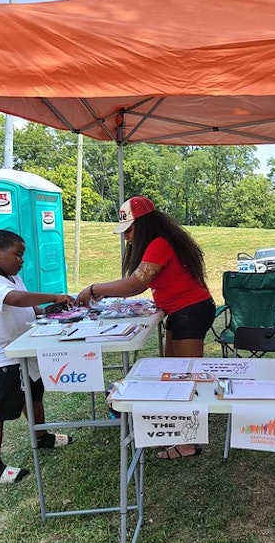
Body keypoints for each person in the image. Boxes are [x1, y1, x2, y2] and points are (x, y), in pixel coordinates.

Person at [77, 196, 215, 459]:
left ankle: (190, 442)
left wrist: (94, 289)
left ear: (143, 225)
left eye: (129, 230)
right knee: (176, 374)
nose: (126, 236)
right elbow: (138, 283)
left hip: (190, 312)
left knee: (187, 378)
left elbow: (135, 284)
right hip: (184, 312)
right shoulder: (161, 241)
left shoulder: (159, 244)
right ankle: (178, 432)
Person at [0, 230, 75, 484]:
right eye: (17, 254)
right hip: (0, 357)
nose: (21, 260)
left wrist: (48, 311)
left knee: (34, 395)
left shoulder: (12, 277)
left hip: (23, 351)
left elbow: (27, 306)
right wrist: (54, 295)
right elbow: (16, 300)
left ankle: (42, 437)